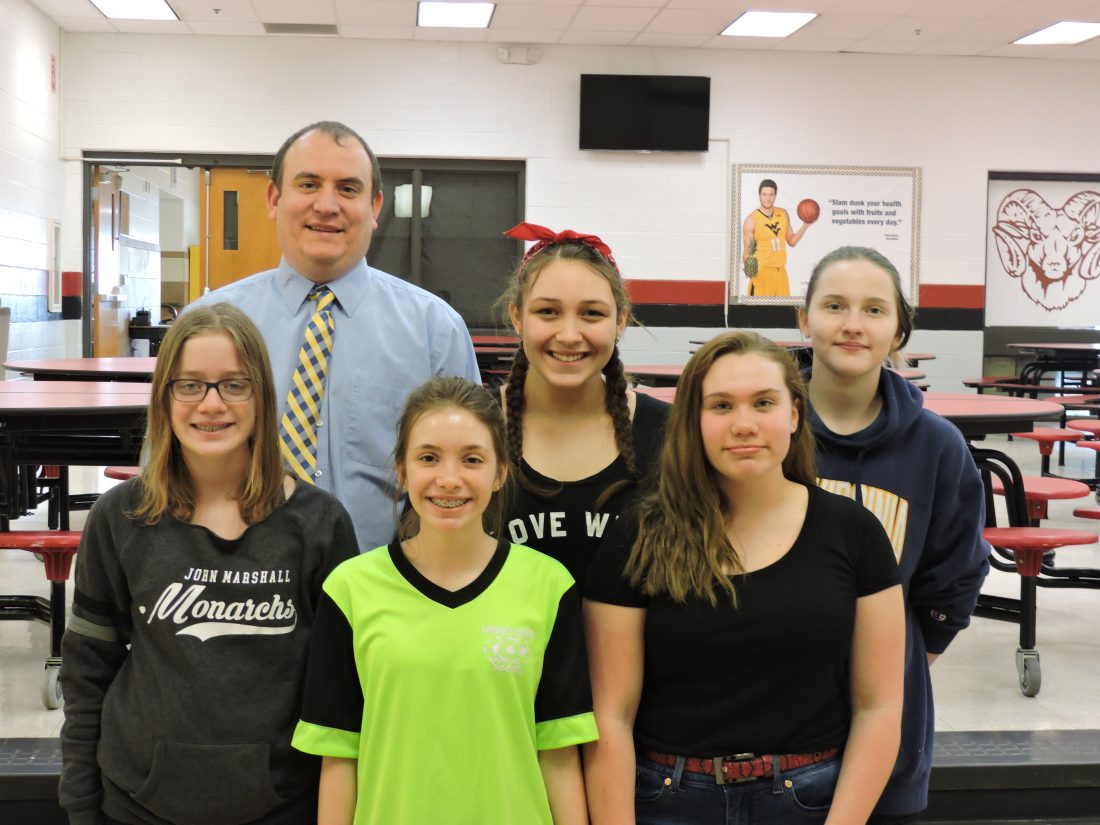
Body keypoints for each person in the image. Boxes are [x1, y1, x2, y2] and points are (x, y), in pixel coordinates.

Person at [584, 331, 905, 825]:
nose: (744, 424)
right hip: (667, 800)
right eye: (721, 406)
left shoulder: (854, 532)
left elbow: (879, 707)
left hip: (813, 800)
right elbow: (611, 715)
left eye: (763, 403)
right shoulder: (639, 533)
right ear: (692, 420)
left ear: (795, 414)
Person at [58, 303, 358, 825]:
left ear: (261, 395)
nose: (212, 404)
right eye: (190, 384)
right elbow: (87, 673)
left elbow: (343, 694)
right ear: (165, 396)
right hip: (138, 803)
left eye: (234, 385)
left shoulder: (319, 524)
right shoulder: (121, 517)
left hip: (283, 805)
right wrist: (81, 804)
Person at [292, 376, 598, 825]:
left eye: (472, 459)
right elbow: (339, 757)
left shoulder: (549, 586)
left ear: (500, 473)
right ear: (402, 470)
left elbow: (558, 752)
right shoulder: (350, 590)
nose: (449, 479)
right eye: (429, 458)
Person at [189, 120, 480, 551]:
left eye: (348, 188)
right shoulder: (206, 324)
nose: (327, 205)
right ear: (274, 198)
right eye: (308, 184)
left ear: (375, 206)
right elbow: (166, 468)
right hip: (232, 585)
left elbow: (471, 476)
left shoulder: (435, 330)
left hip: (385, 587)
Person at [797, 246, 991, 824]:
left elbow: (953, 578)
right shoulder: (765, 430)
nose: (853, 324)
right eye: (834, 305)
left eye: (875, 310)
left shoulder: (938, 446)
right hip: (775, 727)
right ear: (803, 319)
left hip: (890, 726)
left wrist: (900, 659)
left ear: (899, 328)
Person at [496, 222, 670, 582]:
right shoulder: (477, 426)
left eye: (592, 313)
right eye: (548, 312)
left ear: (620, 320)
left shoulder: (668, 433)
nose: (570, 335)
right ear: (517, 317)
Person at [742, 178, 814, 297]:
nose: (767, 198)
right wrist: (751, 271)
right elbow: (747, 252)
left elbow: (791, 241)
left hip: (781, 273)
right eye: (764, 194)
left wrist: (805, 226)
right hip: (762, 273)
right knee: (759, 314)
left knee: (782, 313)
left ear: (775, 195)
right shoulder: (751, 220)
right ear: (759, 195)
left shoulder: (783, 214)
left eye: (771, 194)